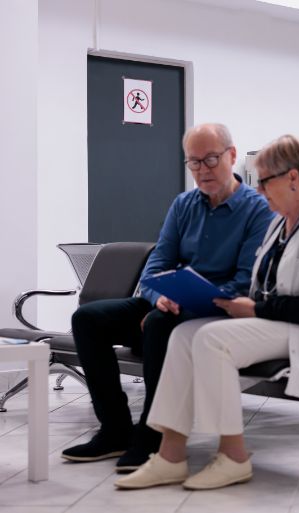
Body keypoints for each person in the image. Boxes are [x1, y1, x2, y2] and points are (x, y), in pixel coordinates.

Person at [114, 134, 299, 491]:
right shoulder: (281, 223)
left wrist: (256, 308)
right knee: (184, 334)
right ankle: (170, 456)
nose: (259, 192)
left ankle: (233, 456)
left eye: (264, 181)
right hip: (281, 322)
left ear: (292, 178)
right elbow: (262, 283)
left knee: (212, 339)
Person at [61, 123, 275, 470]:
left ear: (232, 156)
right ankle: (115, 430)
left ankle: (153, 436)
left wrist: (183, 302)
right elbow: (156, 265)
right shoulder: (184, 205)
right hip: (167, 304)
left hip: (216, 311)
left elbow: (245, 281)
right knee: (88, 319)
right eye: (193, 162)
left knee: (160, 324)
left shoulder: (258, 210)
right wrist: (158, 295)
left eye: (210, 159)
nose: (202, 170)